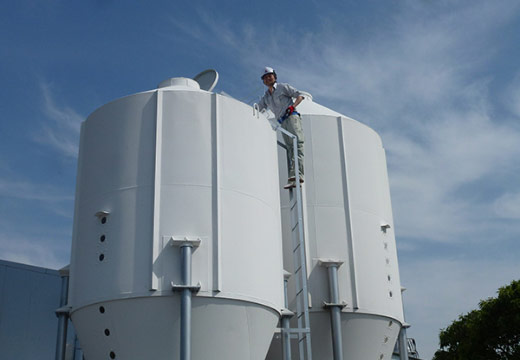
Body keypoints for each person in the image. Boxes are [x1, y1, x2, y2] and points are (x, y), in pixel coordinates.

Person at [258, 67, 306, 189]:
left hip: (291, 117)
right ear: (263, 81)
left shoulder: (282, 87)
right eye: (265, 77)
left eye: (270, 76)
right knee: (290, 148)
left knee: (297, 143)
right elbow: (258, 108)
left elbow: (300, 95)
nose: (268, 78)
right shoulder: (266, 97)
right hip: (282, 122)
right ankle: (292, 178)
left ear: (275, 77)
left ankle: (298, 175)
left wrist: (293, 106)